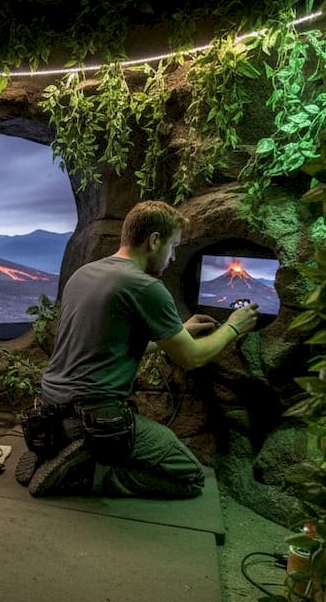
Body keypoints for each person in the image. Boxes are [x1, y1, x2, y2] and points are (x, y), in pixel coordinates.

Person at [18, 200, 260, 498]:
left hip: (51, 409)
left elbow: (106, 347)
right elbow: (192, 358)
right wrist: (234, 326)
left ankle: (57, 449)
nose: (172, 258)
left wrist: (178, 332)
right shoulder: (145, 286)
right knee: (190, 476)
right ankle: (87, 474)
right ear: (154, 240)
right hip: (95, 418)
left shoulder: (83, 274)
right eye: (172, 247)